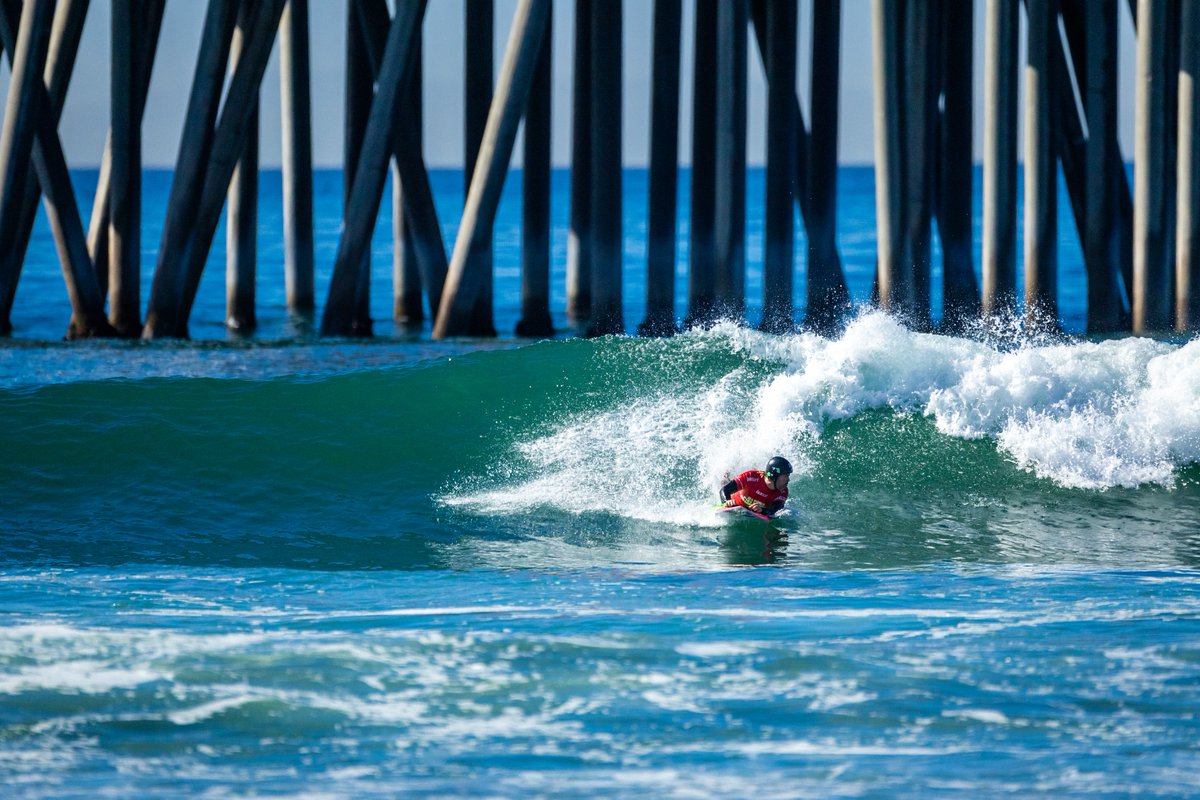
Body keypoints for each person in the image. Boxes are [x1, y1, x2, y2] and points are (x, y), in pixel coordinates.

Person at [719, 456, 792, 517]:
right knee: (724, 482)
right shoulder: (751, 477)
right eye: (786, 476)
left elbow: (774, 510)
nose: (788, 479)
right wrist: (727, 501)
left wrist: (762, 510)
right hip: (735, 503)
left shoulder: (783, 492)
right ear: (775, 475)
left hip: (749, 510)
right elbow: (724, 490)